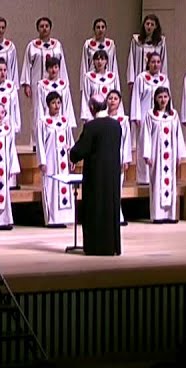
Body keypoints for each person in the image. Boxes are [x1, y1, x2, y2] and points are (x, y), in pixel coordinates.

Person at [69, 94, 123, 256]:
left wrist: (72, 153)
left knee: (95, 208)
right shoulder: (116, 126)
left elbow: (81, 149)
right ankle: (112, 246)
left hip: (95, 176)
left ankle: (95, 246)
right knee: (110, 208)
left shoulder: (91, 126)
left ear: (92, 108)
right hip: (112, 175)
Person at [143, 86, 186, 223]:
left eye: (165, 97)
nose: (163, 100)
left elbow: (179, 134)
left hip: (171, 155)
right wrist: (147, 154)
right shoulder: (151, 115)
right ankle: (158, 215)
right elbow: (146, 136)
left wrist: (180, 154)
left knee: (170, 183)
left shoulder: (173, 115)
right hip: (156, 154)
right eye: (160, 97)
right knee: (157, 183)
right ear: (155, 98)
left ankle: (170, 215)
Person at [36, 92, 75, 228]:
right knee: (51, 187)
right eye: (53, 103)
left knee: (64, 187)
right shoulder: (43, 121)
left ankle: (65, 217)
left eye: (58, 102)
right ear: (48, 105)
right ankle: (52, 218)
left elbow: (70, 140)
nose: (56, 105)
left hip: (63, 159)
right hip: (51, 159)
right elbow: (40, 142)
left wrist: (72, 158)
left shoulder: (65, 121)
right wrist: (42, 161)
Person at [130, 52, 170, 185]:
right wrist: (136, 116)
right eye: (153, 62)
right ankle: (144, 178)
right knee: (144, 146)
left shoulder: (164, 79)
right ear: (148, 63)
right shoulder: (141, 78)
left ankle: (158, 175)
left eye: (158, 62)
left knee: (159, 145)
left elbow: (168, 98)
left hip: (160, 118)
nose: (156, 64)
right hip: (144, 116)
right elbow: (136, 97)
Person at [101, 89, 133, 225]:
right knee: (105, 187)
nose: (112, 101)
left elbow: (127, 140)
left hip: (118, 157)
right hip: (104, 157)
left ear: (119, 102)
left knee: (117, 188)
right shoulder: (101, 118)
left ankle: (117, 216)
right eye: (110, 98)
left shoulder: (123, 120)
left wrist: (125, 159)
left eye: (115, 98)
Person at [21, 16, 67, 98]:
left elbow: (62, 64)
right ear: (38, 29)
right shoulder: (32, 46)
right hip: (37, 82)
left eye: (47, 26)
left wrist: (64, 82)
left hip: (55, 83)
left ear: (50, 28)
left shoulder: (57, 45)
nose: (44, 28)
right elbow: (27, 65)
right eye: (42, 26)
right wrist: (27, 84)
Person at [32, 56, 76, 131]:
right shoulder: (41, 85)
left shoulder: (64, 85)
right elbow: (39, 106)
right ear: (47, 69)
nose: (53, 70)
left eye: (56, 67)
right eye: (51, 67)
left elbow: (68, 105)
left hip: (62, 122)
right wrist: (40, 123)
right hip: (47, 124)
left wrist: (69, 123)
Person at [126, 13, 167, 88]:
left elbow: (163, 60)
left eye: (152, 24)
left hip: (156, 79)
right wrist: (131, 80)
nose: (149, 26)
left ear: (156, 26)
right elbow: (131, 59)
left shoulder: (160, 42)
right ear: (144, 25)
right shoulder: (136, 41)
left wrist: (163, 79)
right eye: (147, 24)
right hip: (139, 76)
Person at [79, 50, 120, 121]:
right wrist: (86, 116)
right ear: (93, 61)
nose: (99, 62)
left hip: (110, 115)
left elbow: (117, 95)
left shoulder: (113, 77)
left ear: (106, 61)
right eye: (97, 59)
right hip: (94, 116)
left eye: (102, 59)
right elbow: (85, 97)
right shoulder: (88, 77)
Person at [79, 18, 118, 85]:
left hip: (108, 81)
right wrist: (84, 84)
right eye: (98, 27)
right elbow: (84, 65)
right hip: (92, 81)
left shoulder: (111, 44)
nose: (100, 30)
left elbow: (114, 65)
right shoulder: (88, 44)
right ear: (94, 30)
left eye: (103, 27)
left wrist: (115, 83)